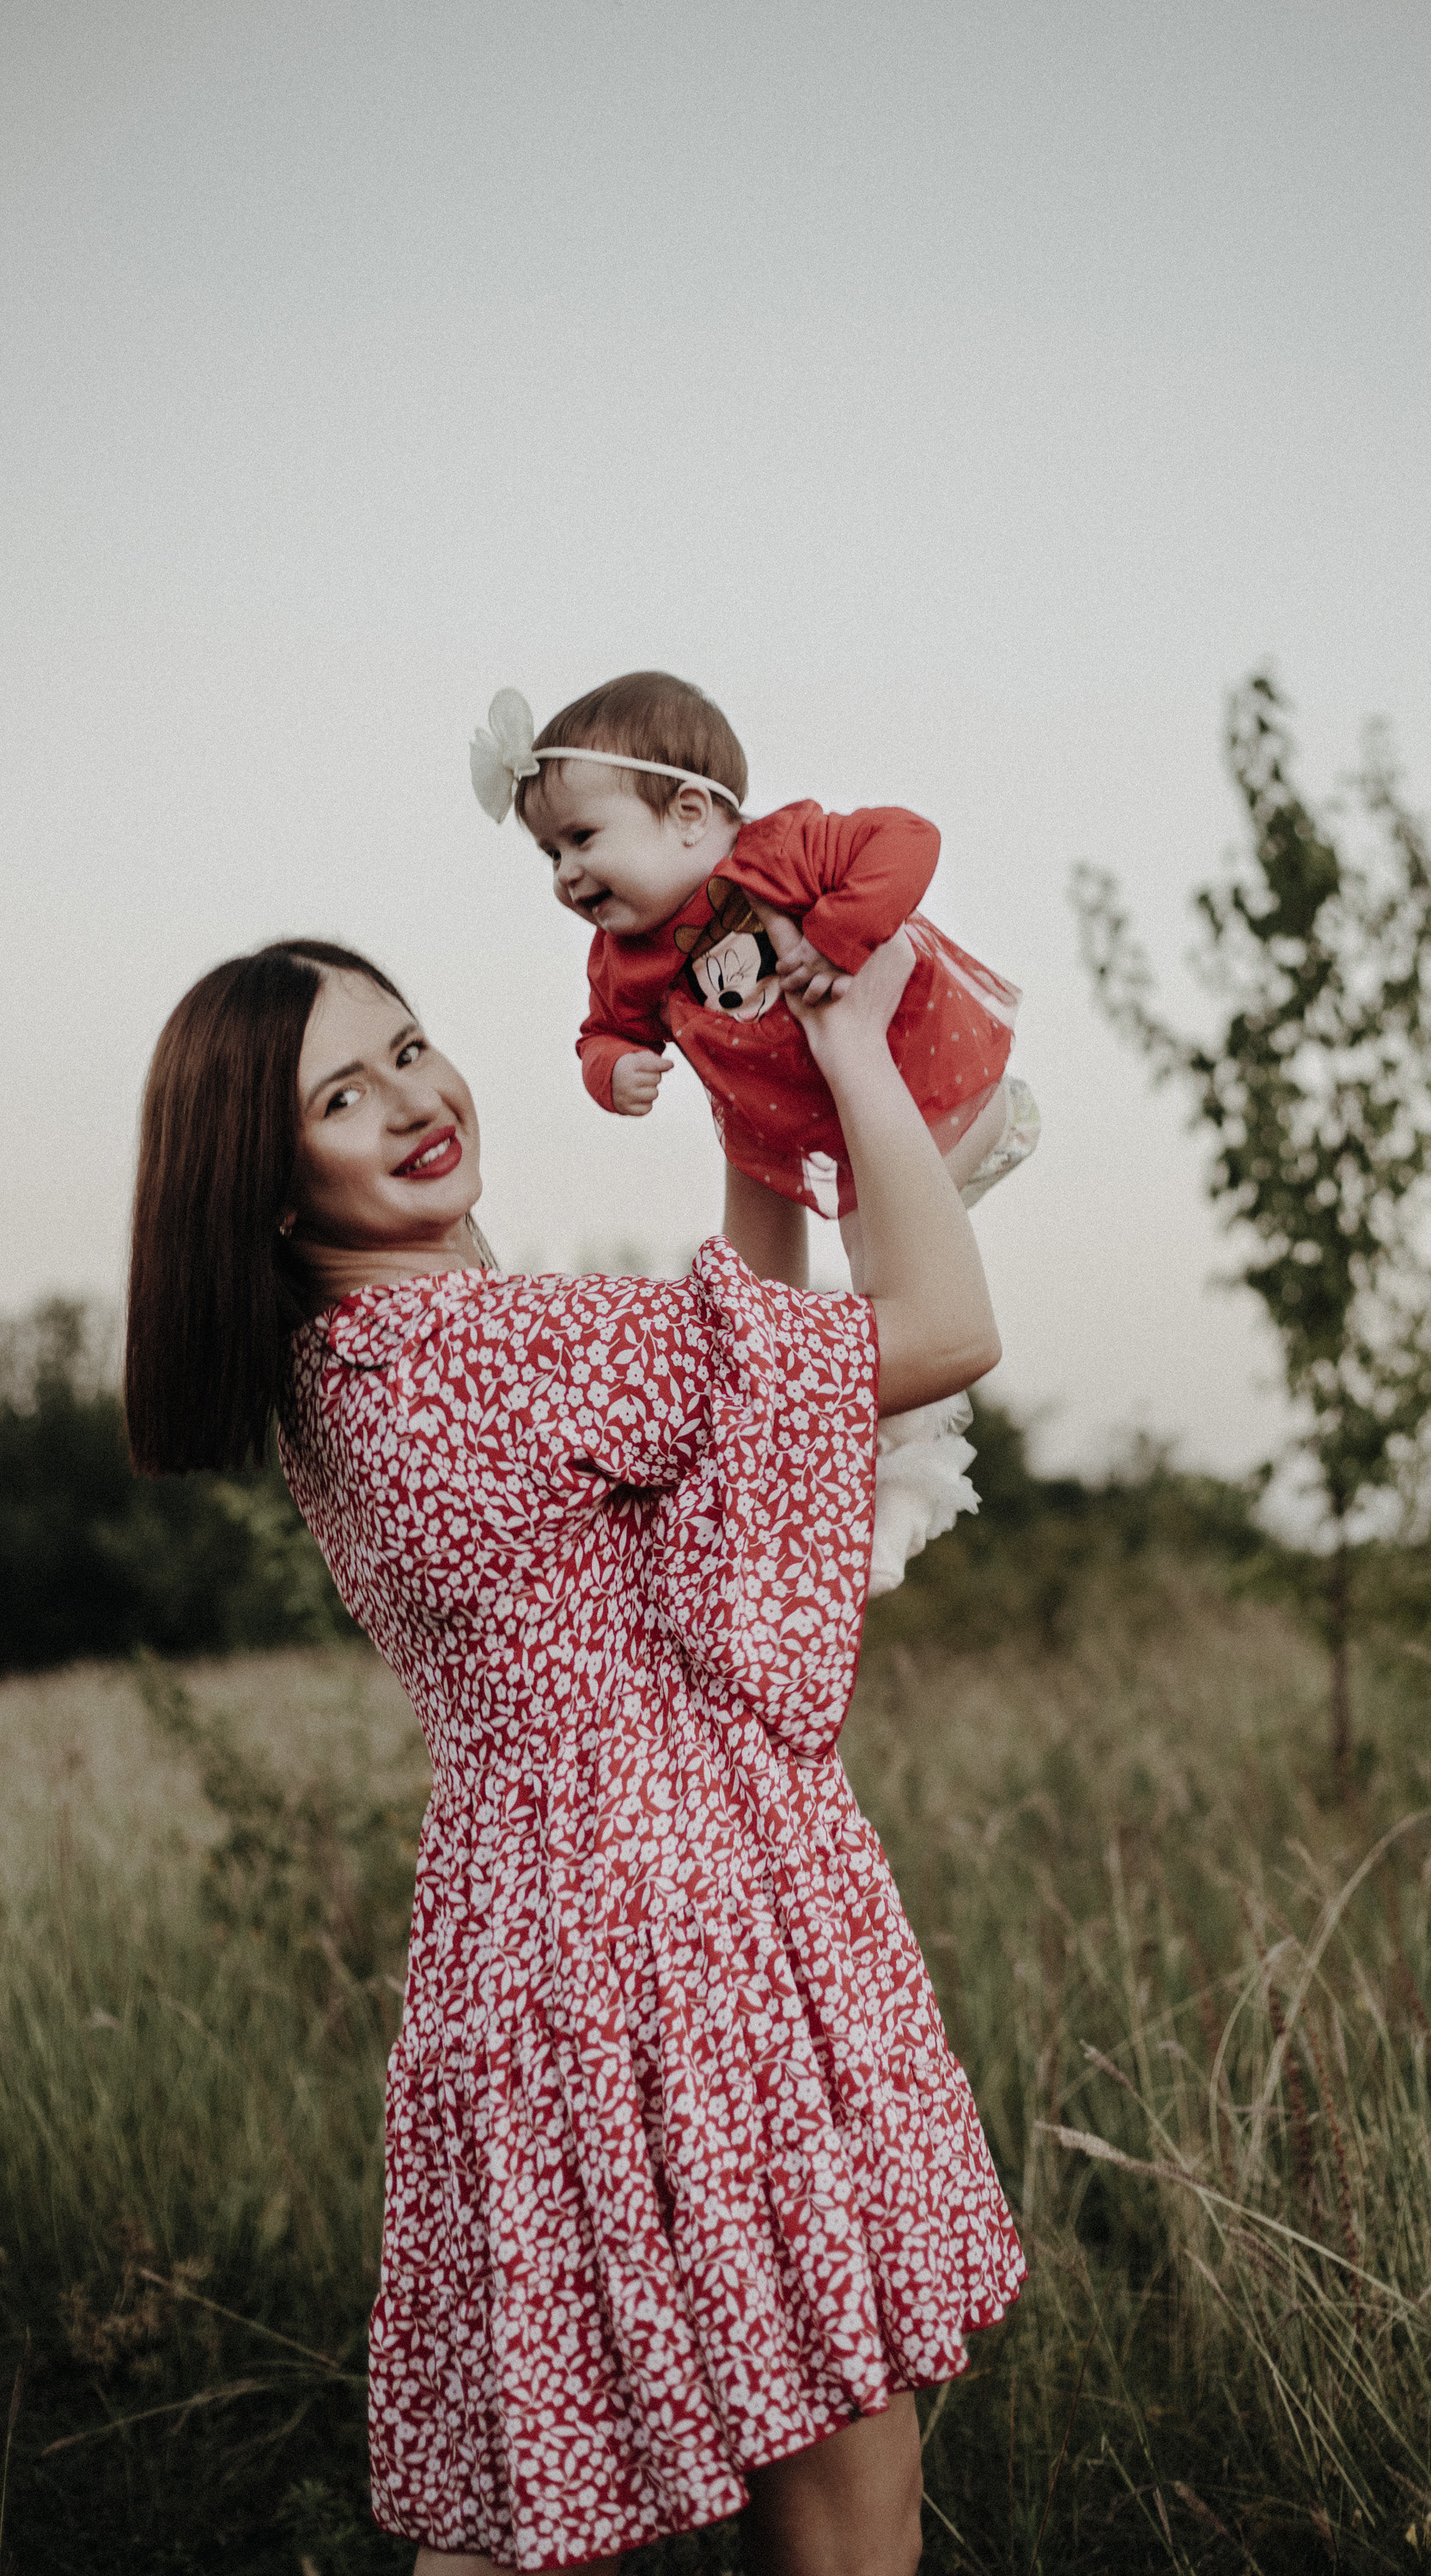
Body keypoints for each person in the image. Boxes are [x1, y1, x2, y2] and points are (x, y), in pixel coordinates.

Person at [125, 933, 1025, 2576]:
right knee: (840, 2456)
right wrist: (851, 1050)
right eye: (341, 1095)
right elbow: (945, 1324)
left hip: (551, 1933)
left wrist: (760, 1128)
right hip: (678, 1933)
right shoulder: (485, 1358)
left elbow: (743, 1368)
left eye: (407, 1047)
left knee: (558, 2486)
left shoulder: (355, 1373)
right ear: (269, 1184)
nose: (412, 1102)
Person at [469, 673, 1041, 1595]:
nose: (567, 875)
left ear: (691, 812)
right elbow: (601, 1032)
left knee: (881, 1287)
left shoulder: (783, 852)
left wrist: (841, 934)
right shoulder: (624, 958)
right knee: (775, 1308)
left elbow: (906, 838)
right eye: (547, 855)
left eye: (581, 838)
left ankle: (910, 1485)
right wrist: (613, 1071)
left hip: (917, 1078)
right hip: (794, 1125)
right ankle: (798, 1496)